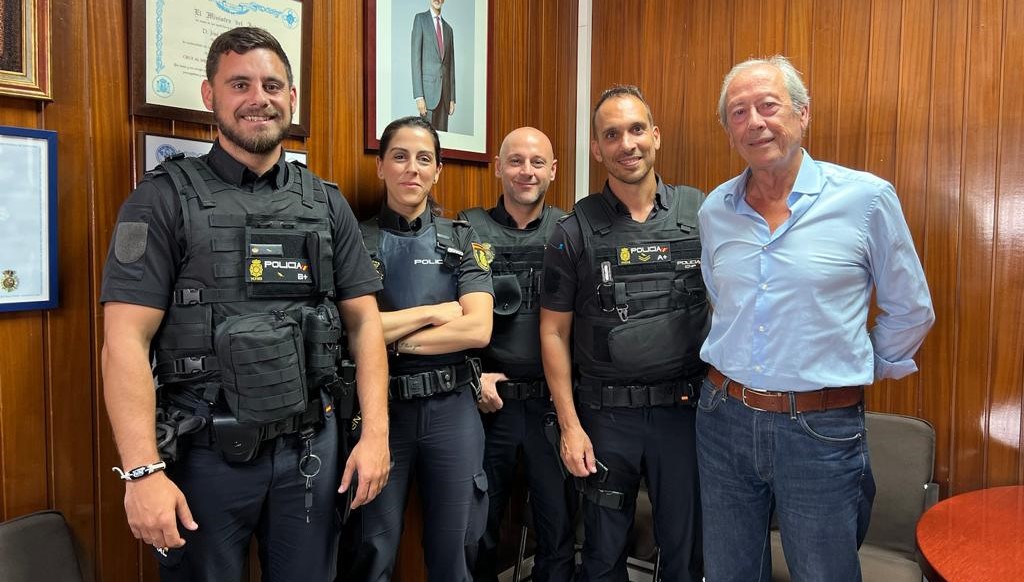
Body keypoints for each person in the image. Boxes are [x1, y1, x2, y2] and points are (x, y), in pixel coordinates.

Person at [100, 27, 391, 582]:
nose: (259, 97)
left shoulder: (326, 203)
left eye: (272, 84)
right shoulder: (160, 200)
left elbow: (365, 325)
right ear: (210, 96)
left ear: (292, 98)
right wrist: (141, 473)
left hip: (312, 449)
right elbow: (124, 343)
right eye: (240, 83)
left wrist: (375, 436)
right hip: (205, 455)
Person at [698, 55, 935, 582]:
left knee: (823, 573)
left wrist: (856, 364)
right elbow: (723, 301)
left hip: (820, 429)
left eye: (768, 106)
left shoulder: (866, 199)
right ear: (728, 131)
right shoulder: (715, 210)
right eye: (738, 112)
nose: (754, 122)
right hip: (721, 420)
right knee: (728, 572)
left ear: (802, 115)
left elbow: (911, 307)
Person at [540, 86, 707, 582]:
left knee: (687, 550)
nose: (626, 144)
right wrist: (570, 427)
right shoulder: (574, 231)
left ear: (655, 135)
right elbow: (552, 332)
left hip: (685, 414)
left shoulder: (703, 214)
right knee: (603, 554)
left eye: (636, 129)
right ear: (597, 149)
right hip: (606, 419)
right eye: (612, 134)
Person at [343, 116, 493, 582]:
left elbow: (477, 330)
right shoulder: (355, 239)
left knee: (457, 548)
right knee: (372, 547)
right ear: (381, 167)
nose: (412, 168)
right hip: (379, 410)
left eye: (424, 159)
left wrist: (387, 337)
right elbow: (351, 330)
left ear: (438, 170)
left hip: (453, 410)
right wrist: (434, 312)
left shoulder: (463, 237)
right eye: (400, 157)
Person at [460, 127, 576, 582]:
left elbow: (582, 324)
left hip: (553, 405)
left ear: (553, 170)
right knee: (479, 530)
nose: (525, 171)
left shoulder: (571, 232)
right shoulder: (466, 229)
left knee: (558, 529)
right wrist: (475, 376)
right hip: (491, 406)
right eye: (515, 161)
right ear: (497, 166)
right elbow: (452, 316)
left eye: (536, 162)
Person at [411, 0, 455, 131]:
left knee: (442, 144)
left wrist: (452, 98)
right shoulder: (420, 20)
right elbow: (415, 60)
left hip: (445, 96)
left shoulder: (448, 29)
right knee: (427, 140)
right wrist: (419, 96)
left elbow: (451, 65)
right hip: (428, 95)